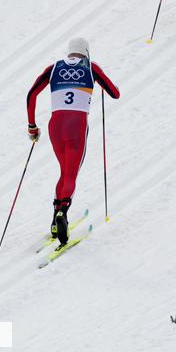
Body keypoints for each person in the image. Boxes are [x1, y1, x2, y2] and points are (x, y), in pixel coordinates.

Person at [26, 37, 120, 243]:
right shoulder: (91, 68)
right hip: (76, 126)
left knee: (63, 172)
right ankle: (62, 214)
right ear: (86, 53)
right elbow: (115, 93)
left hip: (55, 126)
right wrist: (97, 78)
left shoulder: (53, 68)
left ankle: (54, 220)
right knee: (71, 175)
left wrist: (32, 126)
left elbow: (31, 94)